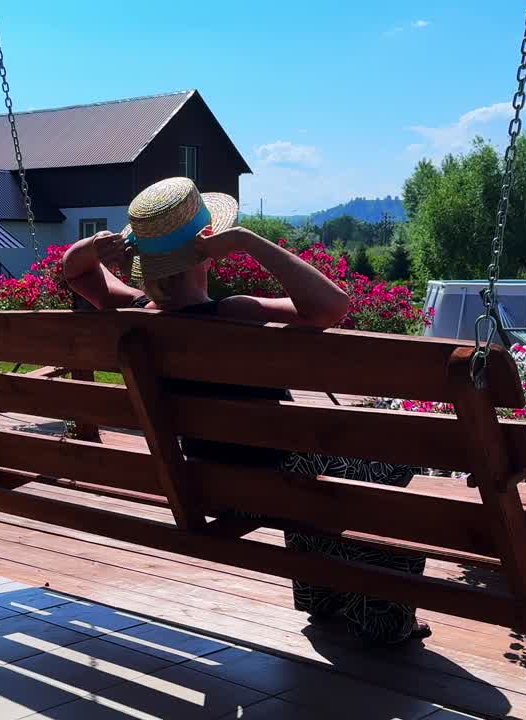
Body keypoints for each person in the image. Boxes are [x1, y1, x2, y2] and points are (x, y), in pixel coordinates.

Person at [63, 177, 431, 644]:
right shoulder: (238, 312)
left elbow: (73, 271)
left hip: (209, 480)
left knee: (314, 464)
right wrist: (249, 243)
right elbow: (332, 307)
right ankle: (382, 619)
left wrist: (95, 246)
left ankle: (325, 599)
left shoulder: (137, 312)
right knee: (391, 462)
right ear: (207, 252)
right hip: (278, 479)